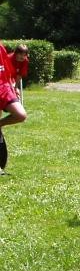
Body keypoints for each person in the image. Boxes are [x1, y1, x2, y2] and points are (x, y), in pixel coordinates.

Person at [0, 43, 28, 174]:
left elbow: (7, 71)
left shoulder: (1, 48)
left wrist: (13, 88)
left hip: (3, 88)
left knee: (20, 115)